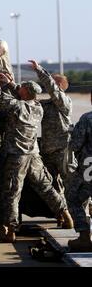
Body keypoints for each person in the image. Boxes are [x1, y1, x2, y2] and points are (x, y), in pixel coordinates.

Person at [0, 71, 74, 242]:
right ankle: (65, 214)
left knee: (12, 193)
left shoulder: (18, 106)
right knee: (46, 187)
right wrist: (12, 84)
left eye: (21, 88)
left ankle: (11, 230)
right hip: (33, 155)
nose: (19, 88)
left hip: (17, 156)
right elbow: (18, 96)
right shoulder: (38, 108)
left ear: (25, 93)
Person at [29, 60, 72, 225]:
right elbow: (31, 102)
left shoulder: (64, 102)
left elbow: (52, 89)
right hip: (48, 151)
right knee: (52, 186)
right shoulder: (47, 104)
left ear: (59, 85)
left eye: (52, 82)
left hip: (63, 150)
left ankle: (77, 214)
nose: (48, 86)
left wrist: (39, 70)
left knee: (70, 184)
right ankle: (61, 214)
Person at [66, 90, 92, 252]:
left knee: (73, 197)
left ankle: (84, 237)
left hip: (89, 168)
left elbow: (75, 144)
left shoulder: (87, 118)